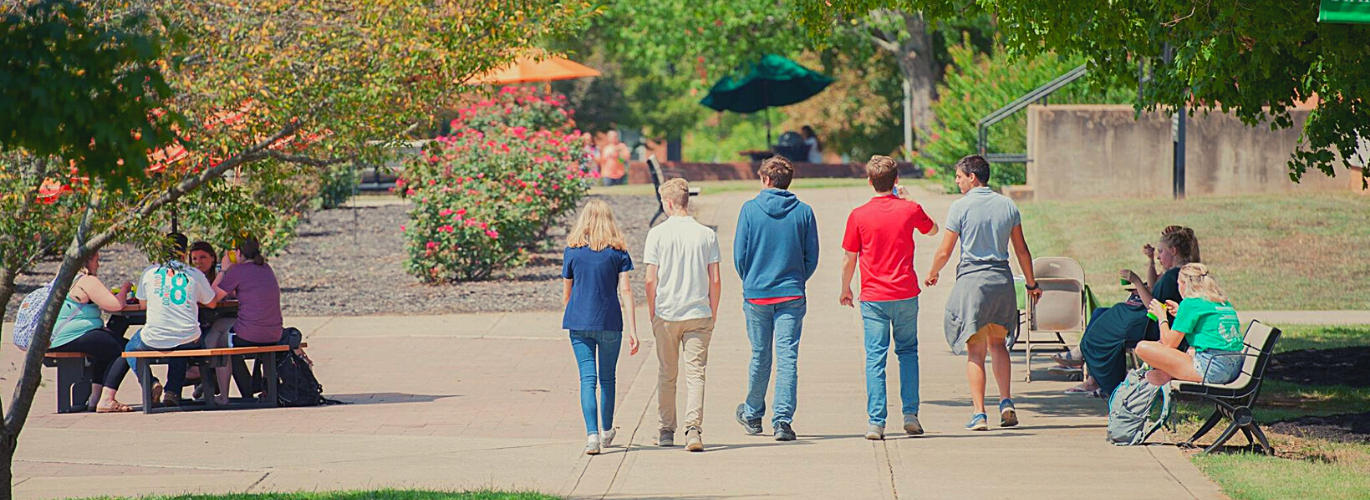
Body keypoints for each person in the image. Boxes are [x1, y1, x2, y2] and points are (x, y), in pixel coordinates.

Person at [925, 155, 1041, 431]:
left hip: (973, 282)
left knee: (975, 351)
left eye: (959, 176)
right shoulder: (1007, 205)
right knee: (998, 345)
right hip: (1001, 281)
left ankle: (979, 413)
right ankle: (1006, 401)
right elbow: (1021, 249)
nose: (956, 181)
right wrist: (1031, 283)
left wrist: (933, 272)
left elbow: (945, 250)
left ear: (972, 177)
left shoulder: (960, 207)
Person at [840, 155, 939, 440]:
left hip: (874, 297)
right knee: (908, 352)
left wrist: (845, 288)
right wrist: (908, 199)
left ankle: (876, 422)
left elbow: (849, 257)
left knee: (875, 358)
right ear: (896, 180)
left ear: (870, 182)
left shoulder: (858, 215)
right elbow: (931, 230)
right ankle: (910, 414)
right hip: (906, 293)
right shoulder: (910, 209)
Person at [732, 156, 819, 442]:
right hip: (791, 293)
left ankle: (753, 413)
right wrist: (796, 279)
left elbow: (740, 256)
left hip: (757, 294)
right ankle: (782, 420)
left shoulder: (749, 210)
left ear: (766, 180)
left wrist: (753, 279)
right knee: (787, 358)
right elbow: (811, 256)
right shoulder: (804, 212)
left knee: (760, 355)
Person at [1062, 226, 1198, 397]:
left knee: (1107, 324)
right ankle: (1093, 369)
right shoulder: (1175, 273)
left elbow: (1154, 307)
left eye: (1161, 252)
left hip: (1153, 326)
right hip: (1155, 323)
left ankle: (1107, 381)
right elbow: (1156, 287)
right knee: (1105, 316)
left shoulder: (1174, 277)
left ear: (1173, 250)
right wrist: (1150, 263)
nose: (1158, 256)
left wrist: (1136, 282)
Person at [644, 178, 721, 452]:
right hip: (698, 312)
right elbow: (715, 279)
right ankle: (693, 430)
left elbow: (650, 279)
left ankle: (666, 429)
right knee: (696, 374)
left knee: (667, 373)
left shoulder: (657, 234)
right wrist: (713, 310)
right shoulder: (706, 234)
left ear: (667, 203)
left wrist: (652, 310)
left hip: (667, 313)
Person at [561, 199, 641, 455]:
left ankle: (592, 436)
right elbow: (626, 291)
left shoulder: (572, 251)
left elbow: (566, 294)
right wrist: (633, 329)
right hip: (609, 321)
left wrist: (574, 314)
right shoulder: (618, 252)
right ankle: (607, 431)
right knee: (607, 379)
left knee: (587, 379)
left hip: (579, 322)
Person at [125, 233, 224, 407]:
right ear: (184, 253)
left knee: (131, 347)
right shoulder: (194, 274)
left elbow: (142, 305)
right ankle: (172, 391)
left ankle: (150, 383)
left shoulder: (150, 272)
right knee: (182, 340)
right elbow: (212, 303)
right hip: (189, 336)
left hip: (155, 337)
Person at [47, 251, 137, 412]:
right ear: (87, 261)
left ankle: (96, 399)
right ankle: (107, 399)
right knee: (127, 349)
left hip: (54, 337)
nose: (98, 265)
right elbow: (116, 305)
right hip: (69, 336)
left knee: (106, 347)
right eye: (96, 260)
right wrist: (125, 289)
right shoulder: (86, 280)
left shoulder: (64, 278)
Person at [201, 236, 284, 404]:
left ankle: (213, 383)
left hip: (251, 334)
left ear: (238, 252)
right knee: (220, 326)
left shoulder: (238, 271)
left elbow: (211, 299)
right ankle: (207, 375)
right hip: (274, 332)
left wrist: (224, 270)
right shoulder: (266, 268)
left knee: (221, 340)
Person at [1135, 263, 1245, 387]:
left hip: (1212, 369)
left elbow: (1169, 344)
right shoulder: (1222, 302)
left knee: (1142, 347)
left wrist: (1162, 317)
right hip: (1234, 366)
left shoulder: (1190, 303)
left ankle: (1170, 373)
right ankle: (1169, 373)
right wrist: (1181, 314)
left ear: (1185, 284)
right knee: (1191, 350)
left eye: (1178, 283)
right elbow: (1207, 327)